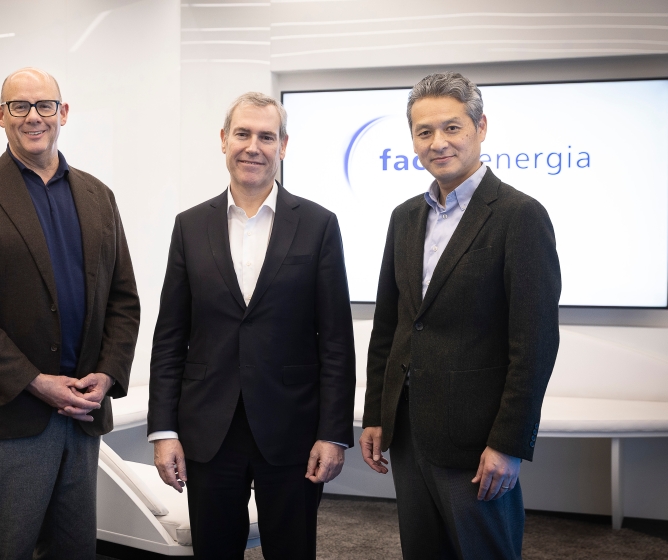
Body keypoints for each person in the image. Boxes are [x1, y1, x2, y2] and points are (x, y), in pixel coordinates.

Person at [0, 67, 140, 560]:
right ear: (0, 115)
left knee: (74, 550)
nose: (34, 117)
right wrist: (34, 381)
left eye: (45, 105)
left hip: (82, 411)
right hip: (11, 415)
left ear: (63, 112)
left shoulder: (98, 196)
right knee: (4, 549)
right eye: (19, 106)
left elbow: (123, 298)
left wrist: (109, 374)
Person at [359, 72, 561, 559]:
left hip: (477, 442)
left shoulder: (519, 215)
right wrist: (376, 413)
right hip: (409, 432)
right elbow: (391, 326)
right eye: (424, 131)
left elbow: (534, 342)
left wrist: (509, 442)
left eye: (452, 127)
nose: (438, 142)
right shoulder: (404, 217)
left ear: (480, 127)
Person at [147, 92, 356, 559]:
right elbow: (170, 337)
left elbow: (336, 341)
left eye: (266, 136)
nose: (253, 147)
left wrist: (333, 433)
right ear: (224, 139)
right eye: (242, 134)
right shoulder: (189, 226)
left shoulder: (318, 224)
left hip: (293, 428)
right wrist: (163, 431)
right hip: (208, 428)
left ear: (284, 145)